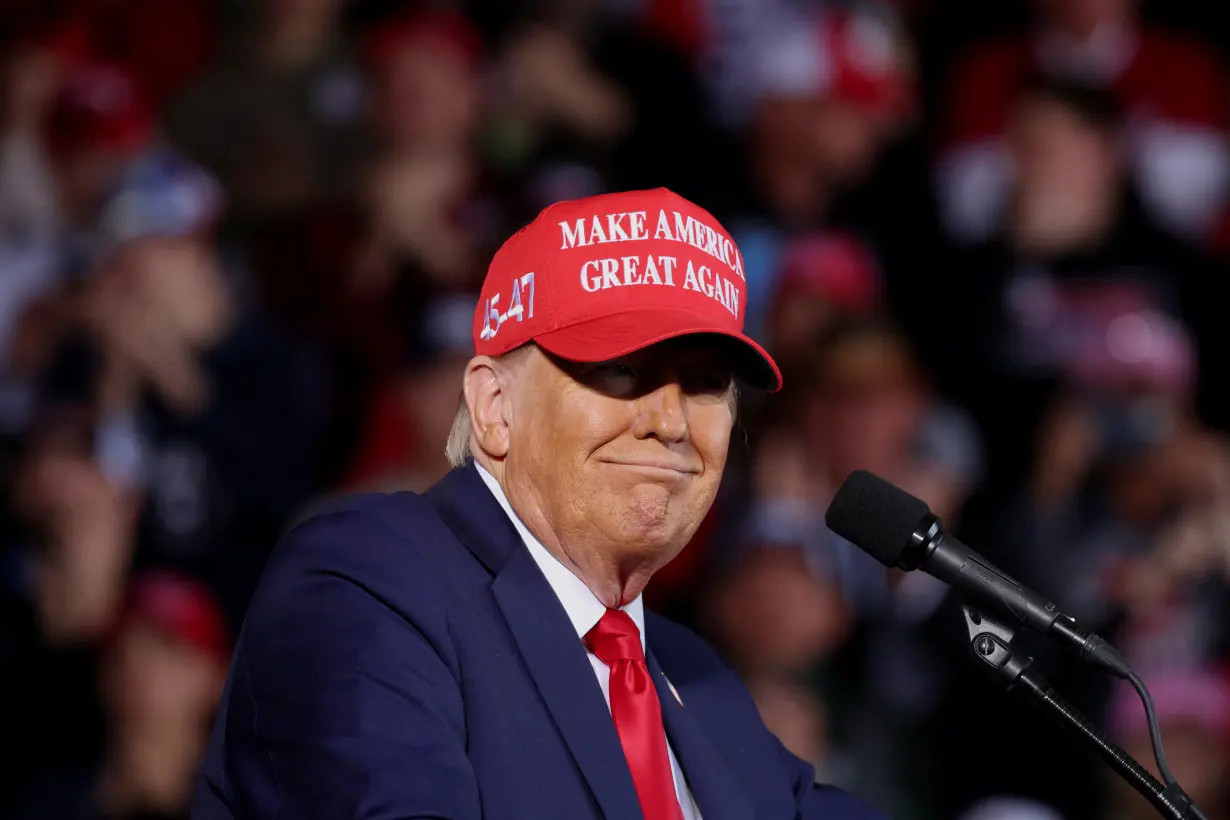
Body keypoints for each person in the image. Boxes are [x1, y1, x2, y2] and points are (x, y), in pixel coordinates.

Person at [191, 188, 887, 819]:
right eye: (621, 371)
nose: (671, 423)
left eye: (705, 384)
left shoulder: (697, 682)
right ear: (495, 407)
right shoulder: (369, 581)